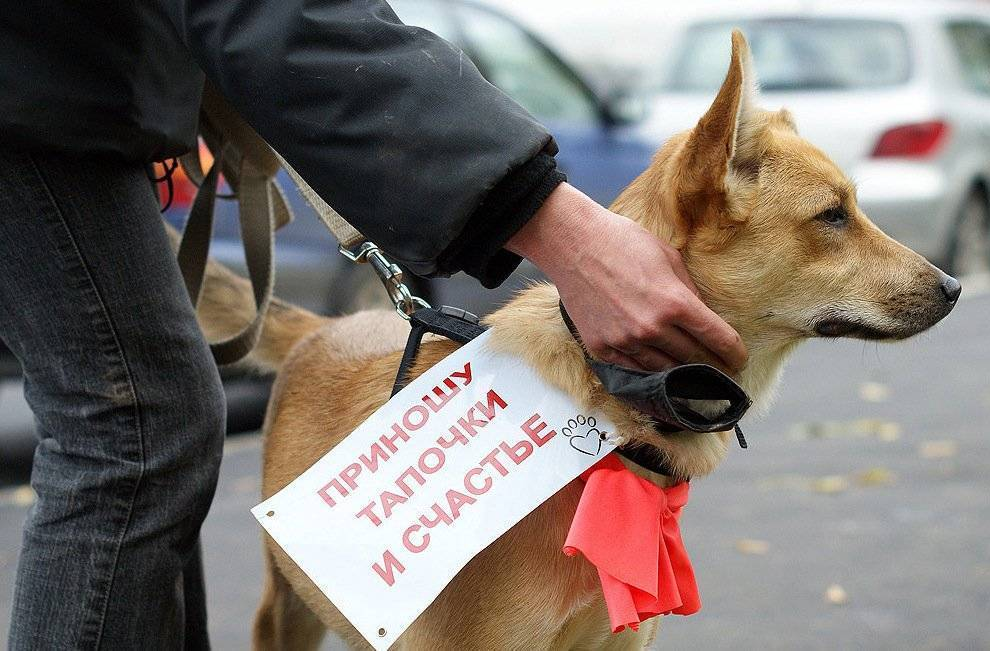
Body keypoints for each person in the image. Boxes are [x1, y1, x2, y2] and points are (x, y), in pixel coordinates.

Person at [0, 1, 747, 648]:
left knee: (151, 426)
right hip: (32, 101)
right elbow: (288, 22)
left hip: (58, 91)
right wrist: (557, 225)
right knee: (134, 427)